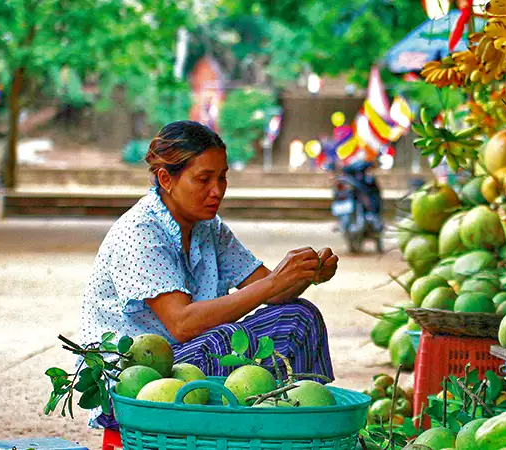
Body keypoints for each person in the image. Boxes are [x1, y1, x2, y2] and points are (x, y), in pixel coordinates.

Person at [79, 120, 337, 427]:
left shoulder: (208, 228)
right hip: (132, 388)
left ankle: (301, 427)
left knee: (300, 316)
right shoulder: (140, 232)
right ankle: (252, 432)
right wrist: (273, 283)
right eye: (204, 179)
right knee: (223, 341)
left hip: (191, 358)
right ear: (166, 179)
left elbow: (274, 291)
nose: (217, 191)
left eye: (223, 178)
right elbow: (183, 324)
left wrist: (306, 274)